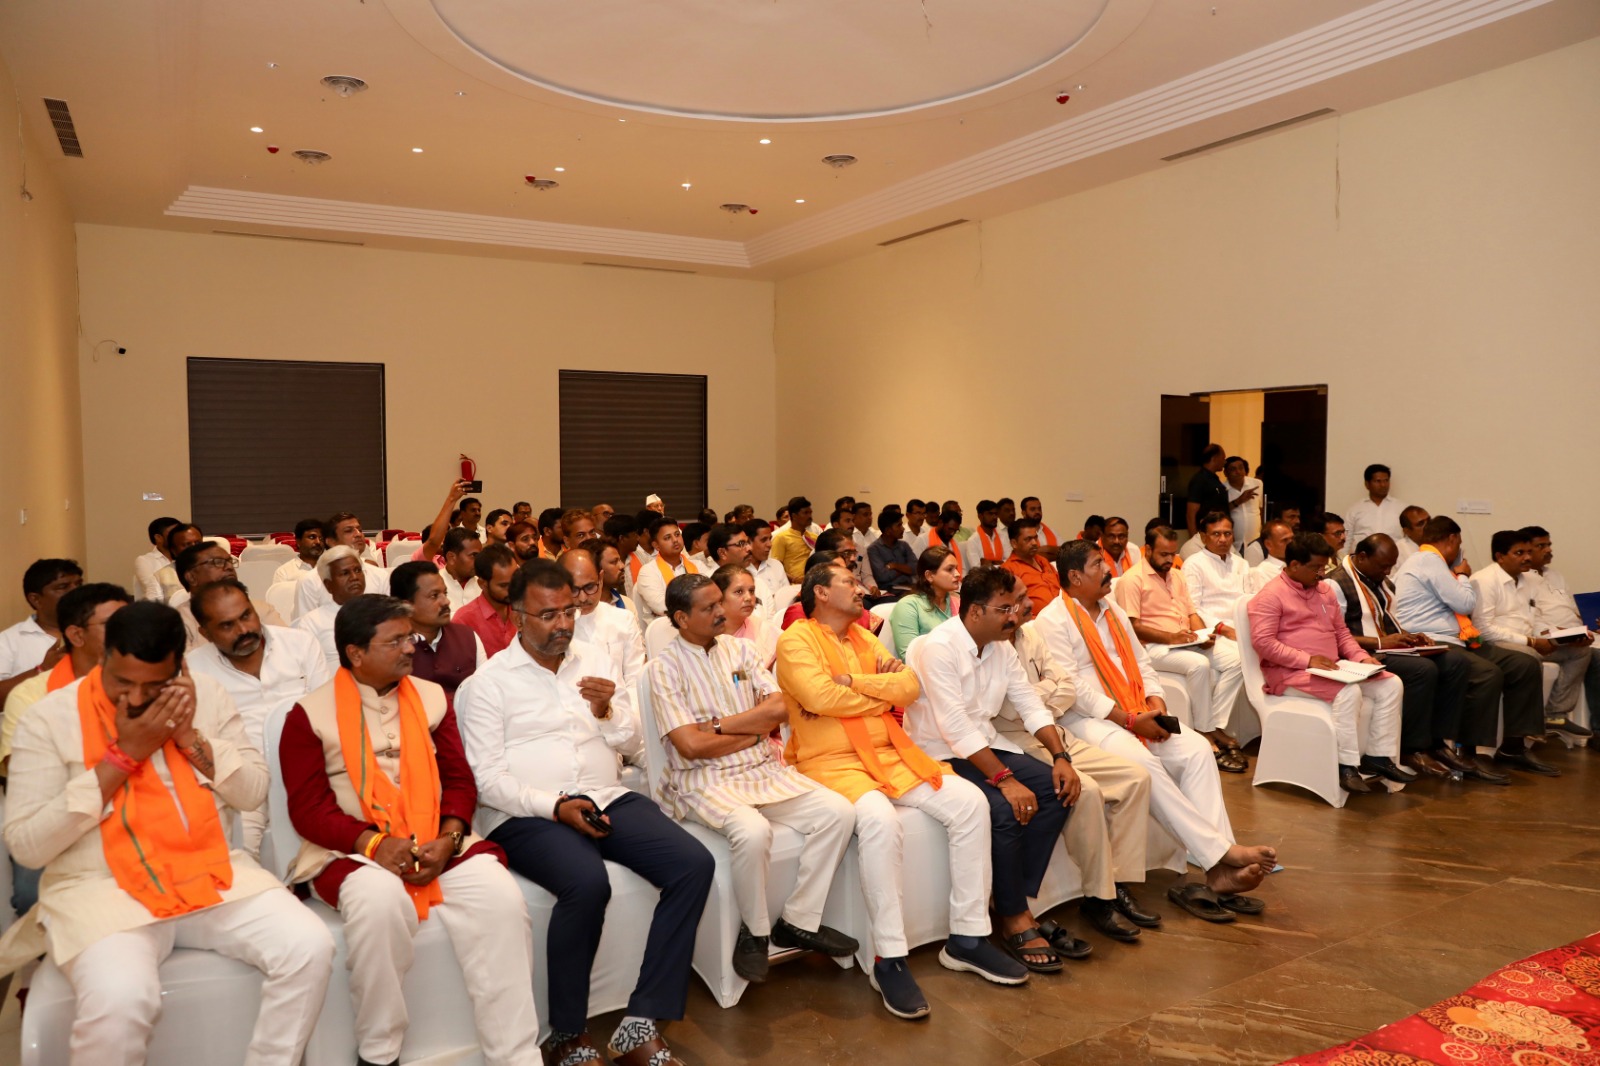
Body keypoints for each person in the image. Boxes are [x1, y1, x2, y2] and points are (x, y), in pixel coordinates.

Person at [2, 601, 335, 1065]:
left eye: (154, 685)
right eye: (122, 681)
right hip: (101, 888)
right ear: (104, 659)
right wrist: (121, 759)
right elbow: (27, 845)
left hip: (208, 872)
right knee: (121, 998)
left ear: (181, 667)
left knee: (310, 945)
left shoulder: (209, 696)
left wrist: (190, 740)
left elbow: (253, 792)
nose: (136, 698)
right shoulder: (49, 718)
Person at [456, 561, 713, 1066]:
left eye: (569, 611)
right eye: (548, 615)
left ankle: (640, 1023)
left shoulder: (593, 659)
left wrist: (607, 712)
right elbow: (485, 781)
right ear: (517, 616)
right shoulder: (487, 685)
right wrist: (553, 805)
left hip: (605, 794)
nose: (563, 624)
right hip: (527, 813)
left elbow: (634, 742)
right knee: (586, 882)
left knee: (693, 864)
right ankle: (568, 1034)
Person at [279, 595, 539, 1066]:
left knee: (503, 901)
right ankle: (380, 1053)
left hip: (438, 840)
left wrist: (451, 839)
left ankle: (517, 1055)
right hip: (352, 849)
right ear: (355, 653)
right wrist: (375, 844)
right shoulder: (308, 714)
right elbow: (308, 809)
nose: (410, 649)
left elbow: (460, 780)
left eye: (410, 637)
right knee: (380, 903)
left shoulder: (431, 696)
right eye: (395, 640)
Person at [777, 564, 1027, 1020]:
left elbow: (909, 686)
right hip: (831, 762)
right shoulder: (795, 640)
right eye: (849, 583)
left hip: (891, 751)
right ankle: (888, 958)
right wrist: (879, 692)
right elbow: (819, 698)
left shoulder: (864, 637)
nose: (860, 588)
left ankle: (968, 937)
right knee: (879, 820)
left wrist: (852, 683)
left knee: (971, 803)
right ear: (820, 593)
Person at [1034, 541, 1274, 923]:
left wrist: (1156, 702)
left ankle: (1217, 872)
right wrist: (1127, 720)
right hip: (1087, 721)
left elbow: (1142, 662)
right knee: (1142, 763)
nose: (1109, 570)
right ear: (1075, 576)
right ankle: (1222, 856)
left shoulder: (1111, 608)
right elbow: (1073, 690)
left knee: (1196, 750)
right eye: (1098, 564)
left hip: (1137, 708)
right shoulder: (1051, 620)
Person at [647, 574, 858, 983]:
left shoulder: (741, 650)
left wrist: (720, 728)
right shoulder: (663, 669)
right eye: (708, 608)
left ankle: (797, 920)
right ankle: (756, 932)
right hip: (702, 779)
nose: (720, 612)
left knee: (838, 812)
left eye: (718, 603)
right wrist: (751, 730)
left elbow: (778, 710)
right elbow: (690, 747)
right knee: (752, 831)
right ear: (681, 618)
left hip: (761, 770)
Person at [904, 567, 1078, 974]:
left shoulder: (1000, 647)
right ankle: (1016, 916)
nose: (1015, 616)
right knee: (1001, 809)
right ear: (975, 611)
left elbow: (1031, 704)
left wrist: (1060, 757)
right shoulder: (939, 647)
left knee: (1059, 791)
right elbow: (954, 728)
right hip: (939, 753)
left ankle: (1007, 896)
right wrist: (1005, 779)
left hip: (985, 746)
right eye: (1005, 608)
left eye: (1016, 605)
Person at [997, 595, 1159, 945]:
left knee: (1136, 778)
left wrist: (1037, 696)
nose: (1028, 604)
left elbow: (1066, 687)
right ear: (1004, 605)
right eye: (1019, 599)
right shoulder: (993, 644)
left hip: (1055, 731)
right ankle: (1099, 899)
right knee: (1086, 791)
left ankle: (1118, 885)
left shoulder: (1031, 635)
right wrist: (1045, 693)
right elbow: (1008, 708)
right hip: (1015, 741)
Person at [1, 583, 131, 917]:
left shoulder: (147, 682)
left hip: (139, 811)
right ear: (76, 635)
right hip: (60, 819)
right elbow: (23, 775)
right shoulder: (32, 695)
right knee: (34, 896)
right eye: (113, 625)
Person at [1391, 517, 1552, 778]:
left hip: (1460, 638)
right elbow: (1465, 604)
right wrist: (1463, 574)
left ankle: (1514, 746)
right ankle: (1470, 752)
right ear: (1452, 539)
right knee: (1488, 673)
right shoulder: (1428, 561)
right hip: (1433, 639)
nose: (1460, 551)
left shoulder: (1435, 563)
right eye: (1459, 543)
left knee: (1524, 664)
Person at [1247, 534, 1406, 793]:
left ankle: (1378, 757)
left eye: (1324, 567)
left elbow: (1342, 633)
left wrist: (1361, 659)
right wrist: (1306, 659)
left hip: (1331, 669)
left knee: (1391, 684)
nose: (1322, 573)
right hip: (1289, 674)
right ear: (1295, 565)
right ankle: (1346, 766)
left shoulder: (1324, 591)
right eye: (1316, 568)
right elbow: (1264, 643)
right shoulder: (1270, 595)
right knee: (1349, 691)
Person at [188, 578, 331, 854]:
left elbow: (327, 712)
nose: (244, 630)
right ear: (205, 633)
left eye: (246, 616)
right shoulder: (194, 669)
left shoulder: (299, 644)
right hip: (245, 779)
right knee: (240, 858)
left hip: (313, 768)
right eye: (227, 625)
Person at [1328, 534, 1481, 779]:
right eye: (1383, 565)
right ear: (1363, 557)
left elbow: (1387, 622)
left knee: (1456, 661)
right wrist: (1380, 642)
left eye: (1391, 565)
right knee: (1423, 669)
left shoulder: (1381, 580)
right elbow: (1333, 635)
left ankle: (1436, 742)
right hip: (1362, 655)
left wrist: (1411, 637)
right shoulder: (1334, 584)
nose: (1388, 571)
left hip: (1388, 647)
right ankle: (1411, 748)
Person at [1117, 525, 1249, 774]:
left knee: (1238, 659)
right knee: (1199, 665)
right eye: (1164, 555)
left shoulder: (1176, 575)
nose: (1170, 560)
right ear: (1147, 550)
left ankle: (1215, 724)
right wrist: (1171, 638)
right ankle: (1205, 731)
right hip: (1153, 648)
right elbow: (1132, 627)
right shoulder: (1132, 579)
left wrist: (1203, 635)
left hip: (1184, 641)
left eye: (1172, 554)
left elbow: (1191, 613)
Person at [1471, 530, 1594, 738]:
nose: (1527, 557)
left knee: (1581, 652)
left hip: (1529, 641)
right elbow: (1483, 630)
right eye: (1519, 553)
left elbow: (1534, 619)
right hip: (1496, 644)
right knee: (1529, 657)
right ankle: (1525, 729)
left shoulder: (1528, 580)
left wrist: (1560, 636)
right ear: (1500, 556)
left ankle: (1554, 715)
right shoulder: (1484, 580)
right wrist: (1531, 642)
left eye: (1529, 552)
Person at [1521, 525, 1600, 741]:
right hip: (1548, 639)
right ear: (1527, 550)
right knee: (1596, 657)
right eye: (1541, 546)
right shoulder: (1522, 580)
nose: (1548, 550)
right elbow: (1531, 622)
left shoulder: (1556, 576)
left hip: (1577, 634)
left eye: (1548, 544)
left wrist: (1588, 626)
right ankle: (1596, 730)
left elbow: (1571, 611)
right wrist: (1564, 634)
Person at [389, 560, 486, 704]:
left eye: (444, 593)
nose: (446, 601)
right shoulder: (388, 647)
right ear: (406, 605)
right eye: (434, 596)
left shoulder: (468, 637)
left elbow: (486, 693)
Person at [169, 541, 287, 648]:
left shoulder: (261, 608)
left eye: (230, 561)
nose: (229, 567)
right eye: (218, 562)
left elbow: (288, 647)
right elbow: (184, 668)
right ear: (191, 577)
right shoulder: (176, 622)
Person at [0, 558, 84, 708]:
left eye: (78, 584)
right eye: (63, 587)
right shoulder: (8, 641)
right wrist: (42, 670)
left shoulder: (97, 632)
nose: (76, 592)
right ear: (36, 600)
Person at [563, 547, 646, 690]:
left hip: (622, 708)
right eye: (574, 590)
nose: (583, 598)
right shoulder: (554, 627)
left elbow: (636, 681)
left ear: (600, 579)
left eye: (589, 587)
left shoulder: (623, 620)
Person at [293, 512, 389, 618]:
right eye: (348, 531)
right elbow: (303, 628)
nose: (358, 534)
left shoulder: (380, 576)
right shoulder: (310, 581)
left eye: (360, 530)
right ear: (331, 542)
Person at [293, 546, 368, 675]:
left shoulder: (381, 613)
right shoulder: (311, 623)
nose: (354, 577)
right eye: (345, 573)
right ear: (328, 585)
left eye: (357, 570)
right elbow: (305, 671)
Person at [887, 546, 962, 659]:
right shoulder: (908, 606)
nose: (957, 574)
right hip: (924, 672)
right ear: (929, 576)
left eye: (956, 568)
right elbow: (909, 656)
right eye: (949, 569)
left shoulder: (959, 603)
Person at [453, 543, 520, 658]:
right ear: (482, 584)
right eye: (504, 585)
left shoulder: (524, 610)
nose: (513, 589)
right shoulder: (464, 622)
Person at [633, 515, 701, 624]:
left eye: (677, 534)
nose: (675, 540)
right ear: (656, 545)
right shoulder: (648, 571)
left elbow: (711, 597)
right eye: (667, 538)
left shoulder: (698, 566)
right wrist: (699, 605)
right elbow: (661, 606)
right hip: (665, 632)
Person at [713, 564, 779, 668]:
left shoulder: (767, 631)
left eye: (751, 591)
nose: (749, 598)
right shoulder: (703, 637)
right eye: (739, 592)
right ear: (718, 598)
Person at [1003, 518, 1060, 617]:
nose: (1034, 543)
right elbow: (1011, 608)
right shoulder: (1008, 570)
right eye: (1028, 539)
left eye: (1035, 538)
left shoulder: (1043, 561)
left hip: (1063, 615)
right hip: (1035, 623)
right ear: (1014, 543)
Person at [1345, 464, 1408, 547]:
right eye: (1378, 481)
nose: (1383, 485)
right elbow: (1346, 539)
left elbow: (1408, 538)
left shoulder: (1402, 508)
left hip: (1394, 557)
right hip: (1362, 557)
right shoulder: (1355, 509)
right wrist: (1343, 558)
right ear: (1367, 484)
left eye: (1386, 480)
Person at [1185, 444, 1231, 541]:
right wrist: (1194, 538)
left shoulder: (1214, 479)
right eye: (1223, 458)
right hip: (1206, 535)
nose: (1225, 461)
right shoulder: (1200, 480)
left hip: (1219, 532)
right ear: (1214, 458)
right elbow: (1191, 512)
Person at [868, 510, 918, 599]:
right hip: (889, 591)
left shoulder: (904, 545)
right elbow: (882, 577)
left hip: (909, 587)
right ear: (888, 530)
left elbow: (915, 568)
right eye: (899, 525)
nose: (903, 528)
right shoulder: (874, 549)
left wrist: (894, 566)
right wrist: (905, 569)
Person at [133, 516, 182, 601]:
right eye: (173, 534)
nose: (178, 537)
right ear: (158, 537)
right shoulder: (145, 561)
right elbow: (154, 592)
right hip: (157, 610)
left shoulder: (184, 557)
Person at [151, 523, 204, 603]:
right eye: (187, 545)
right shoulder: (160, 577)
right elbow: (153, 609)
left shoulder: (220, 569)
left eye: (198, 543)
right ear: (173, 550)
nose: (194, 548)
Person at [743, 518, 790, 603]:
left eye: (770, 539)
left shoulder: (776, 565)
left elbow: (787, 597)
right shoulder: (739, 570)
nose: (770, 544)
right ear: (748, 542)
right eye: (764, 540)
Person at [1243, 520, 1294, 595]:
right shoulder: (1261, 573)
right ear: (1268, 544)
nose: (1291, 544)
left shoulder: (1298, 567)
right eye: (1285, 540)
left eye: (1292, 539)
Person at [439, 526, 485, 610]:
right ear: (451, 558)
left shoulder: (483, 585)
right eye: (474, 555)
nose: (480, 560)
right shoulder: (433, 587)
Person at [272, 518, 327, 586]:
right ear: (298, 542)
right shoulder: (284, 572)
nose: (318, 542)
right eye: (312, 537)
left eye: (321, 538)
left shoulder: (331, 568)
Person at [961, 500, 1010, 572]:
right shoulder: (973, 541)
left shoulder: (1003, 537)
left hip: (1003, 578)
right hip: (984, 581)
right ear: (980, 516)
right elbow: (977, 569)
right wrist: (999, 562)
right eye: (990, 514)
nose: (994, 517)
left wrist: (991, 563)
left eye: (996, 514)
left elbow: (1009, 562)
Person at [1224, 457, 1263, 548]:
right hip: (1234, 543)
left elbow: (1261, 508)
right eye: (1233, 469)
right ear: (1226, 473)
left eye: (1241, 468)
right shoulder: (1222, 489)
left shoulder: (1257, 484)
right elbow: (1222, 511)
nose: (1238, 471)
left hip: (1255, 539)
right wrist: (1238, 501)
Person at [1018, 497, 1061, 562]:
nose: (1037, 512)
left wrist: (1047, 548)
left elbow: (1064, 551)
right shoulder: (1018, 532)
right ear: (1024, 513)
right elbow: (1022, 555)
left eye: (1039, 509)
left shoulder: (1052, 531)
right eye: (1033, 509)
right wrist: (1052, 553)